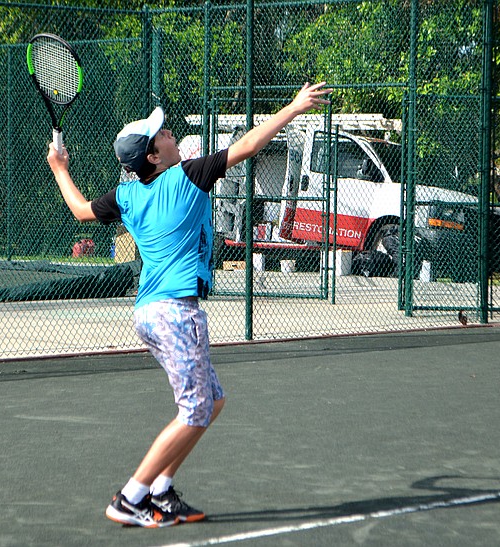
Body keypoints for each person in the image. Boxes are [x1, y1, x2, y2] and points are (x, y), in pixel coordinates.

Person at [46, 82, 331, 528]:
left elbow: (81, 209)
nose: (170, 134)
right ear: (155, 157)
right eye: (162, 135)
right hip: (177, 313)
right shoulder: (189, 176)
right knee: (194, 409)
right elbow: (251, 144)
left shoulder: (127, 195)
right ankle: (130, 497)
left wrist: (59, 168)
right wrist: (293, 108)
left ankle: (160, 489)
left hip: (149, 314)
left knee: (210, 403)